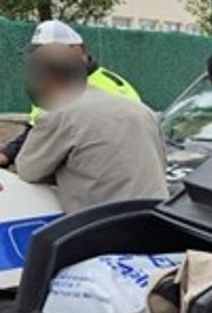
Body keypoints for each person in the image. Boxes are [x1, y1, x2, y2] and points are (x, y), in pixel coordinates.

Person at [13, 45, 168, 213]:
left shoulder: (59, 112)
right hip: (158, 217)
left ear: (47, 79)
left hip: (107, 221)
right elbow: (160, 163)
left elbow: (28, 170)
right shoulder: (141, 109)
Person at [0, 20, 141, 168]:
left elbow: (125, 145)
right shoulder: (49, 85)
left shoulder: (114, 88)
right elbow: (36, 131)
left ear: (78, 51)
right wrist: (7, 154)